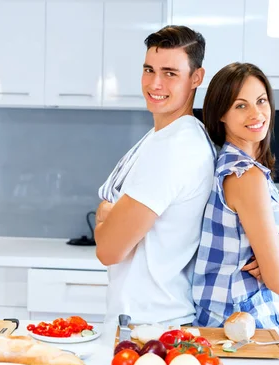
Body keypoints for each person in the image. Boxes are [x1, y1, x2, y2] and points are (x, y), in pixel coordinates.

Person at [94, 25, 216, 326]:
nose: (155, 83)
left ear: (196, 78)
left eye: (170, 73)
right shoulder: (166, 137)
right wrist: (110, 217)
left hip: (151, 327)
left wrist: (104, 218)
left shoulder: (175, 148)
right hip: (156, 320)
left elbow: (108, 250)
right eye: (149, 69)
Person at [192, 62, 279, 330]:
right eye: (240, 105)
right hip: (242, 328)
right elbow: (277, 281)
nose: (256, 113)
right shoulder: (246, 176)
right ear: (221, 114)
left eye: (261, 101)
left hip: (228, 323)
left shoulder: (236, 166)